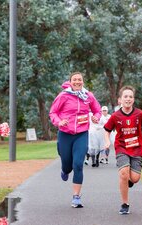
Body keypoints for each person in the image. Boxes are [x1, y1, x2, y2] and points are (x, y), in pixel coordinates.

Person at [49, 72, 101, 208]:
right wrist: (59, 122)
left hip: (81, 134)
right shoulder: (63, 96)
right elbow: (53, 112)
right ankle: (65, 170)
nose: (77, 82)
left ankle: (76, 197)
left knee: (78, 164)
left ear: (83, 82)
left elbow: (97, 110)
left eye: (80, 80)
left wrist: (96, 117)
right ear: (70, 82)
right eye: (75, 80)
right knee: (67, 165)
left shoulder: (88, 96)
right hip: (65, 134)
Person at [104, 85, 142, 215]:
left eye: (130, 97)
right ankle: (125, 204)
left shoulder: (139, 114)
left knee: (135, 178)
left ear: (133, 99)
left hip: (136, 149)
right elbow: (107, 130)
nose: (128, 99)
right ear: (120, 99)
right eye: (125, 96)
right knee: (123, 174)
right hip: (121, 147)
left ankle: (130, 181)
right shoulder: (115, 116)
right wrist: (108, 141)